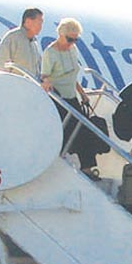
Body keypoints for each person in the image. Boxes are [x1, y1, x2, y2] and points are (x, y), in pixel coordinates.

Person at [41, 18, 101, 179]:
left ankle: (88, 168)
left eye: (76, 39)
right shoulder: (50, 52)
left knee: (83, 130)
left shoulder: (72, 50)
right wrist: (46, 81)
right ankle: (53, 162)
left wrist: (82, 93)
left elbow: (72, 75)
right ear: (60, 34)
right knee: (65, 130)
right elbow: (45, 75)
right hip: (58, 97)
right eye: (69, 39)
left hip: (71, 96)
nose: (72, 42)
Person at [0, 8, 44, 79]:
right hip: (14, 87)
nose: (41, 27)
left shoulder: (34, 44)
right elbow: (2, 66)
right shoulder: (12, 38)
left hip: (30, 87)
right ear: (28, 22)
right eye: (39, 23)